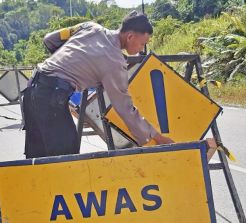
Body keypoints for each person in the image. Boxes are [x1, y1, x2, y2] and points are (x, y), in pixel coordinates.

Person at [21, 11, 174, 159]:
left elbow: (49, 39)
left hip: (31, 88)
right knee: (66, 158)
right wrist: (156, 137)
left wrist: (73, 60)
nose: (142, 49)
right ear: (130, 36)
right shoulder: (115, 61)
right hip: (50, 98)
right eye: (142, 44)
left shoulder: (90, 27)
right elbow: (125, 108)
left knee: (35, 161)